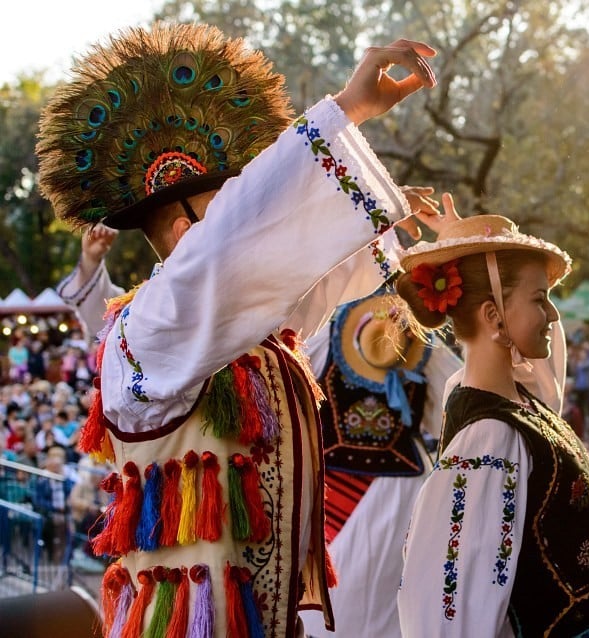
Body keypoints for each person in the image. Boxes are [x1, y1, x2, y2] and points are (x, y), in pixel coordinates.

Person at [36, 22, 437, 637]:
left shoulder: (243, 330)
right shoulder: (152, 325)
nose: (252, 227)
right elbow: (231, 251)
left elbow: (306, 277)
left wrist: (385, 231)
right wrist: (347, 109)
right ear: (184, 233)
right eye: (227, 210)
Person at [395, 200, 589, 636]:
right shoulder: (488, 437)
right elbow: (457, 597)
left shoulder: (520, 401)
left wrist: (460, 240)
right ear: (493, 316)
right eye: (540, 299)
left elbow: (546, 374)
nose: (554, 314)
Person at [299, 286, 462, 637]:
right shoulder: (425, 349)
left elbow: (290, 396)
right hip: (385, 485)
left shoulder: (322, 336)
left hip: (338, 483)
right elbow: (451, 411)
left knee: (353, 588)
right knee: (379, 591)